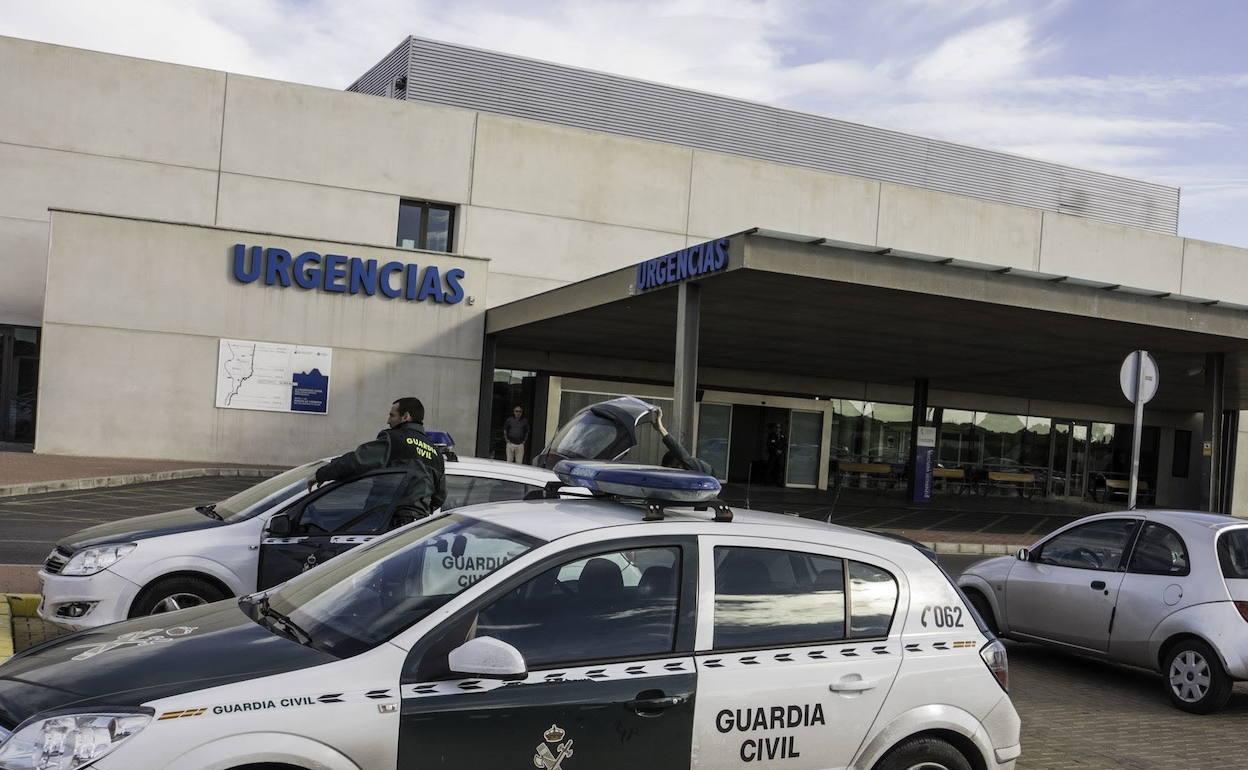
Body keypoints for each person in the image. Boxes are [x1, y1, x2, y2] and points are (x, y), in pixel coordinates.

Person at [310, 397, 446, 525]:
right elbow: (439, 497)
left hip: (389, 521)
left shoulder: (395, 440)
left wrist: (321, 474)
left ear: (406, 417)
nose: (388, 421)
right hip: (414, 528)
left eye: (392, 415)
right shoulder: (436, 454)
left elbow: (356, 461)